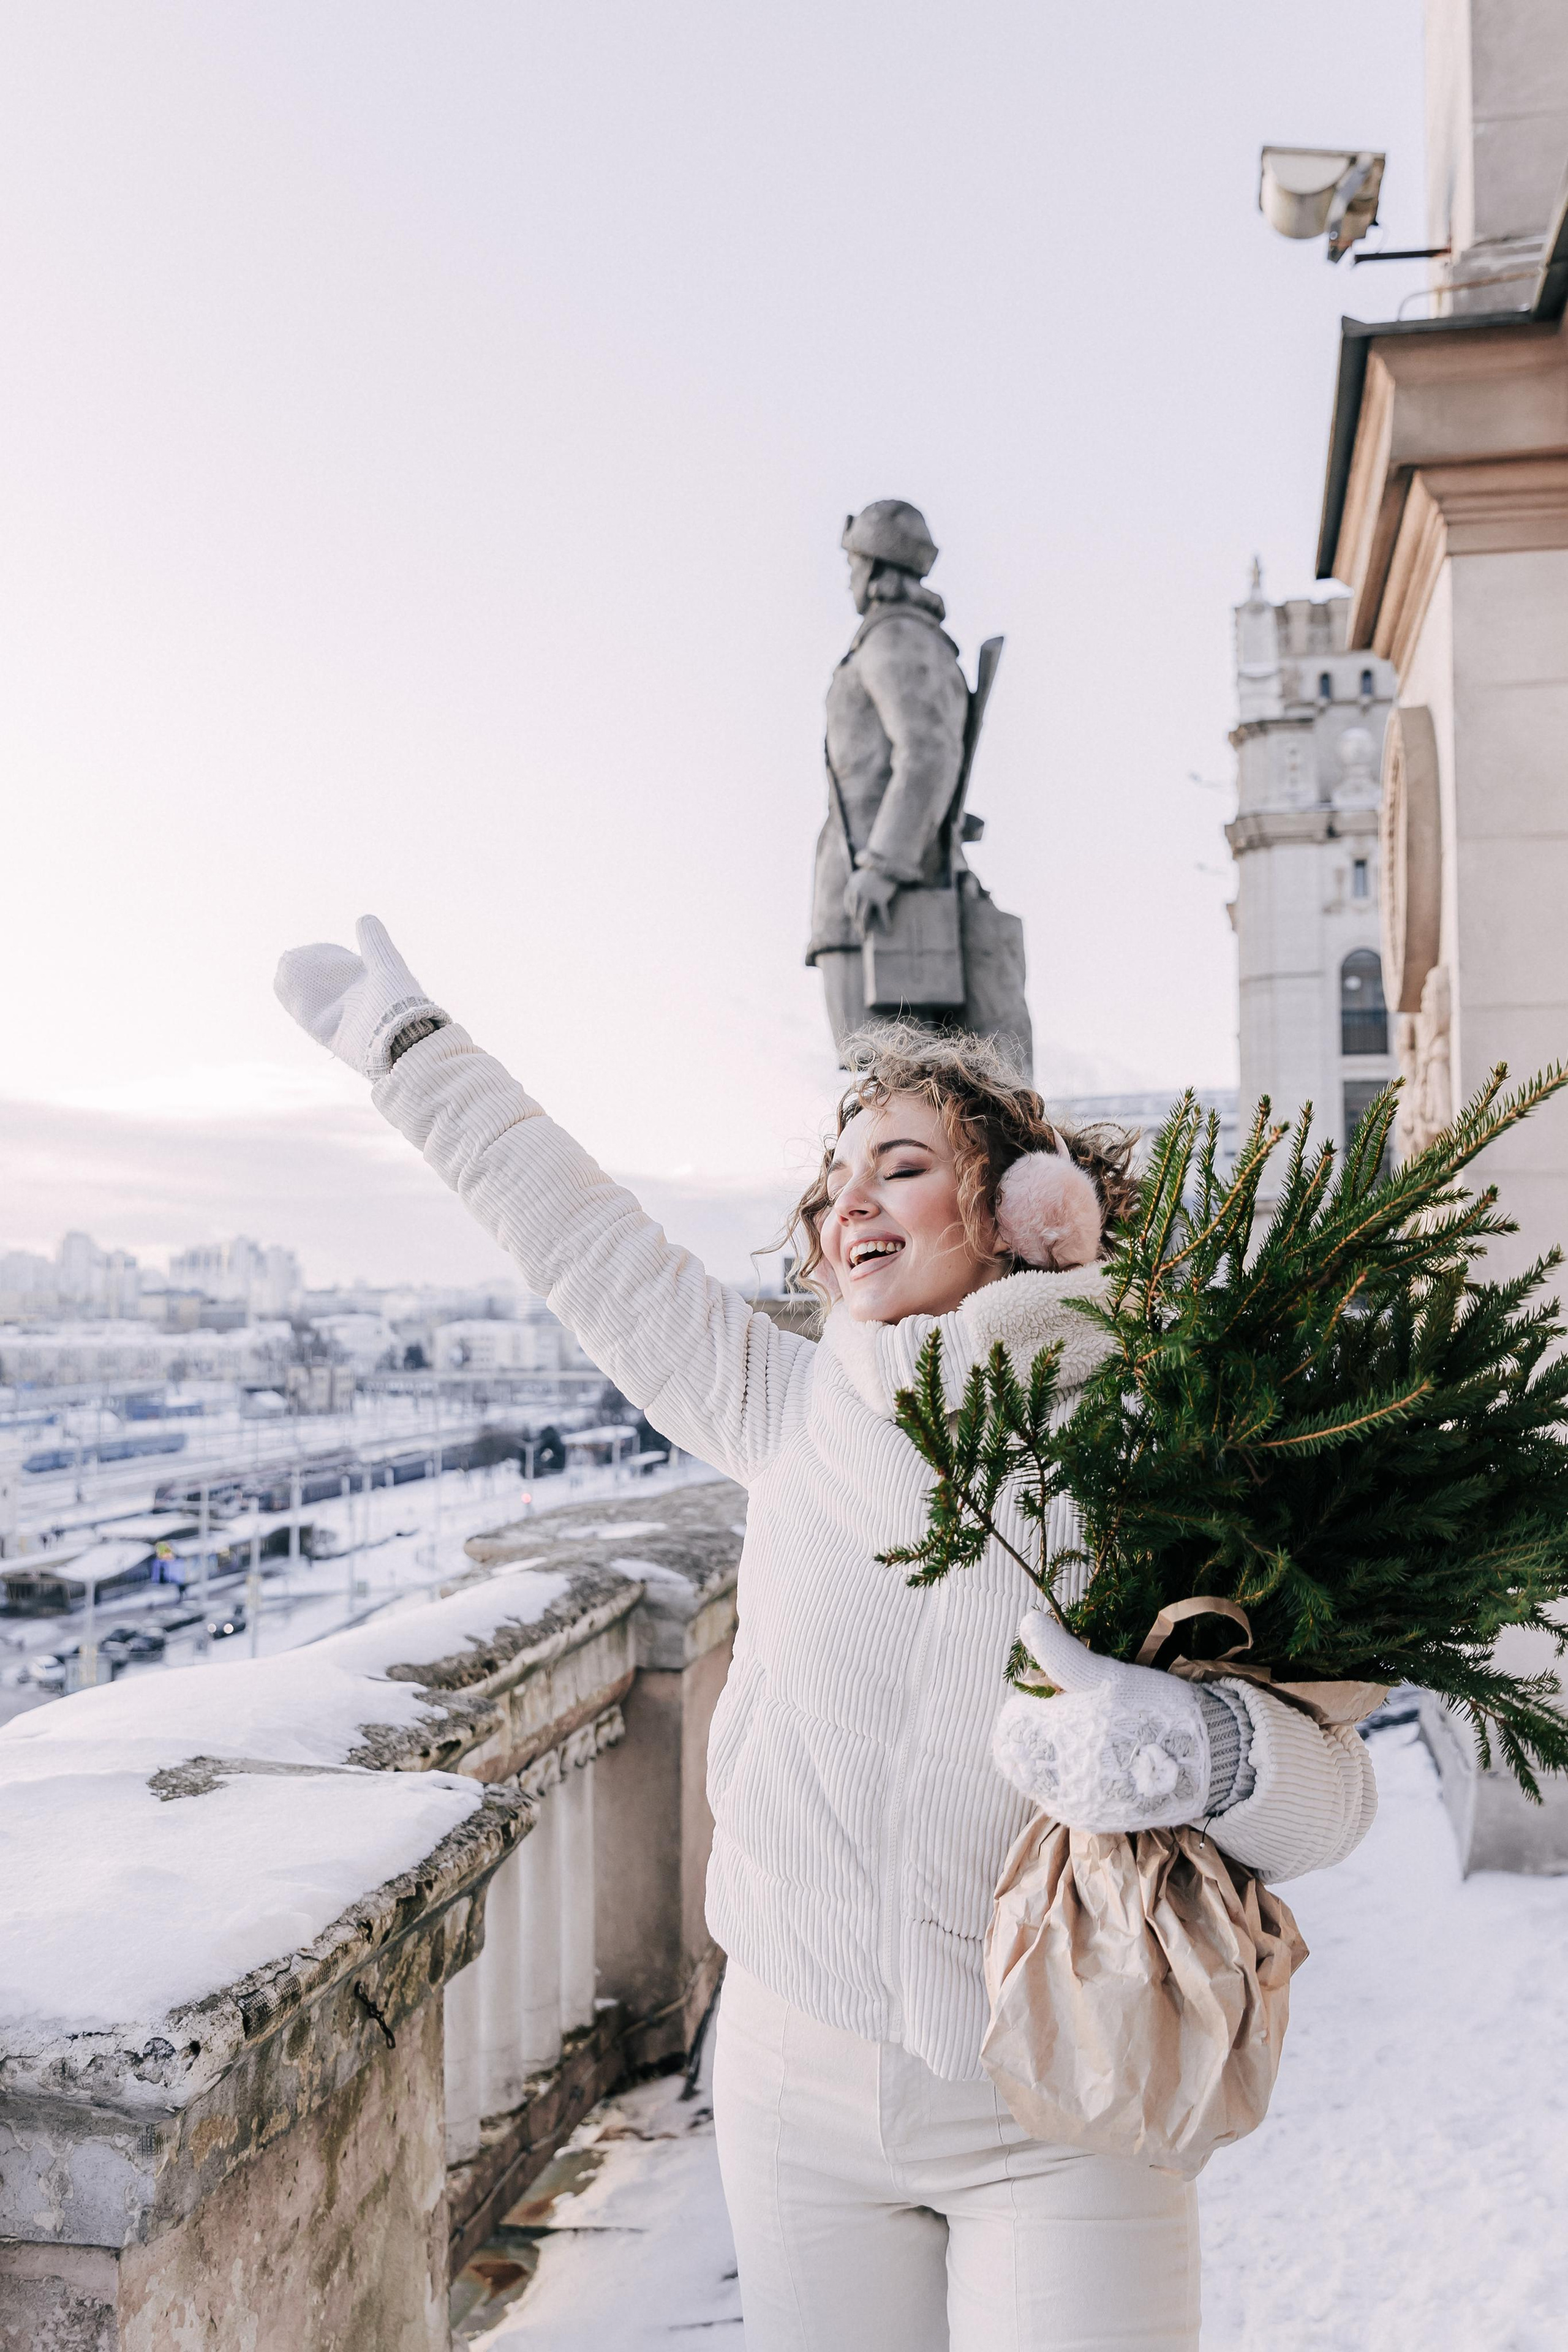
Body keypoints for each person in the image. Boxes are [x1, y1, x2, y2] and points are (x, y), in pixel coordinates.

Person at [275, 919, 1376, 2352]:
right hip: (794, 2086)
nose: (846, 1200)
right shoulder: (782, 1404)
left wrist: (1204, 1747)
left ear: (1026, 1204)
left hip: (1068, 2087)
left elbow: (1334, 1801)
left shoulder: (1166, 1448)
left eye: (899, 1165)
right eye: (830, 1180)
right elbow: (578, 1236)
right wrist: (409, 1049)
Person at [809, 500, 1032, 1072]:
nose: (850, 576)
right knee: (892, 1093)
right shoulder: (905, 638)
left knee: (893, 1091)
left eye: (853, 561)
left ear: (873, 565)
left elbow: (928, 753)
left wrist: (883, 866)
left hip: (886, 903)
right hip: (884, 893)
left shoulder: (896, 638)